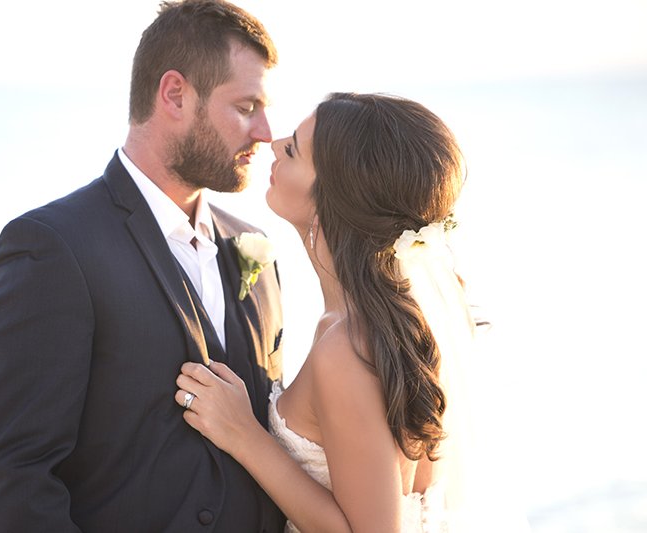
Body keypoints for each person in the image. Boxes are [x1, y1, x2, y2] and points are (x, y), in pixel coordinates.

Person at [0, 1, 286, 531]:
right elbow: (13, 473)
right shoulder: (53, 247)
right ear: (175, 94)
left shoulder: (253, 245)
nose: (265, 132)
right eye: (246, 106)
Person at [176, 92, 478, 532]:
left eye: (294, 150)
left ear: (332, 197)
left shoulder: (348, 347)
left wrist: (243, 434)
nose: (274, 144)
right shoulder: (390, 323)